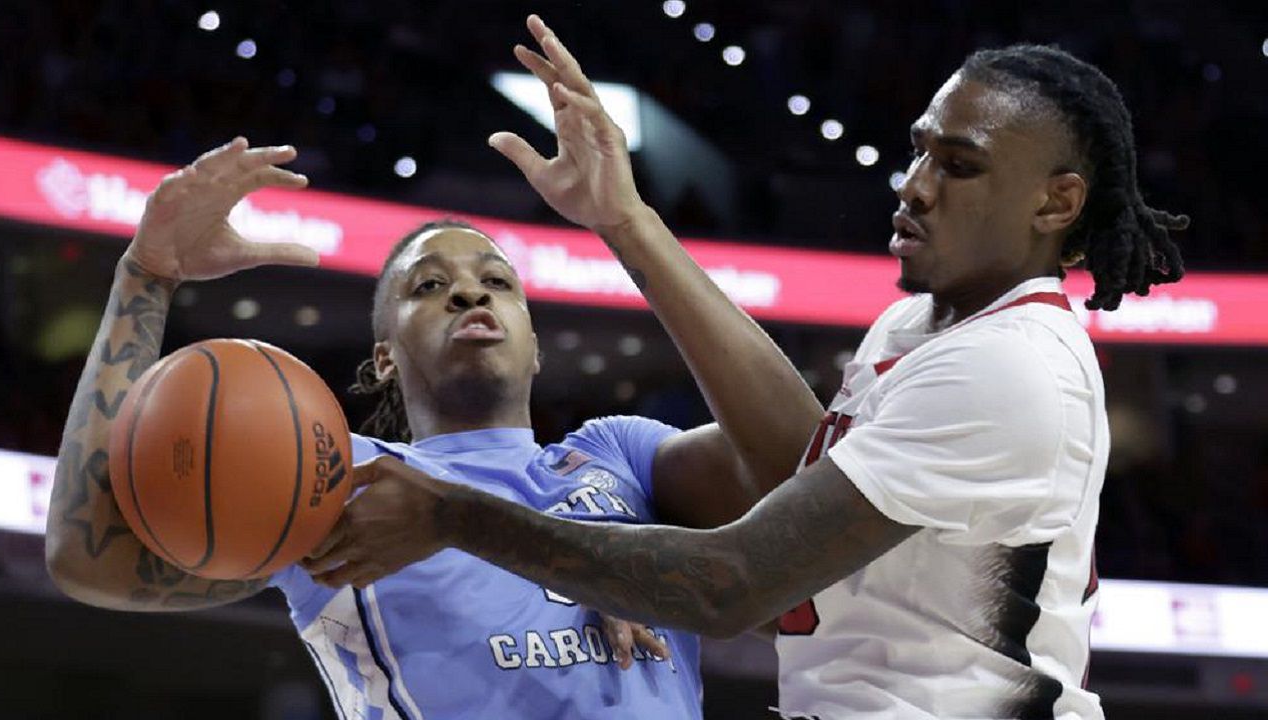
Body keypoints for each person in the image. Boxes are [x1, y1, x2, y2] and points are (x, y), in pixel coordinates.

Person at [305, 16, 1189, 720]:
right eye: (919, 148)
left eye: (958, 166)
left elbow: (732, 583)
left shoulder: (1011, 368)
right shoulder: (916, 326)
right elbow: (792, 473)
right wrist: (624, 218)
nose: (912, 183)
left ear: (1056, 200)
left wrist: (467, 523)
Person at [44, 137, 824, 717]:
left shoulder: (620, 454)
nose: (468, 294)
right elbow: (90, 558)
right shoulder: (334, 482)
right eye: (429, 285)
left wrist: (627, 221)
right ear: (384, 358)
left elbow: (806, 469)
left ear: (538, 343)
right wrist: (145, 277)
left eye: (496, 282)